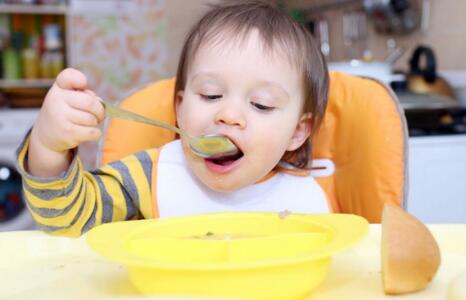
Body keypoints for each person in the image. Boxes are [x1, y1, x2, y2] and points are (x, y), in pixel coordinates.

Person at [16, 0, 330, 236]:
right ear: (180, 108)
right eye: (210, 94)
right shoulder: (149, 176)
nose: (229, 116)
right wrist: (48, 146)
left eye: (261, 105)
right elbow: (67, 221)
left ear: (297, 132)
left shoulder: (306, 201)